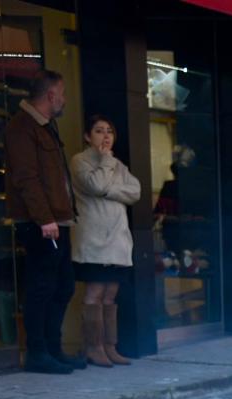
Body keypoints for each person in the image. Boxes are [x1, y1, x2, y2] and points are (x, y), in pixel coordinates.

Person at [5, 70, 79, 374]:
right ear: (51, 95)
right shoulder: (22, 127)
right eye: (62, 94)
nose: (64, 100)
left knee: (63, 286)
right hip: (41, 223)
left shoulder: (45, 126)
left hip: (57, 219)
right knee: (42, 287)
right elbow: (26, 178)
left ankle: (52, 348)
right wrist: (44, 218)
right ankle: (37, 352)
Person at [70, 114, 139, 367]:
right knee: (95, 292)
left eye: (109, 131)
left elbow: (135, 191)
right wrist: (107, 165)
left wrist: (110, 190)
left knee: (111, 293)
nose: (106, 136)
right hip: (94, 238)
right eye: (99, 131)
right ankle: (93, 347)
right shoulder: (80, 161)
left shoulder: (118, 164)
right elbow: (96, 185)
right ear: (88, 136)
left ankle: (110, 346)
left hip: (117, 238)